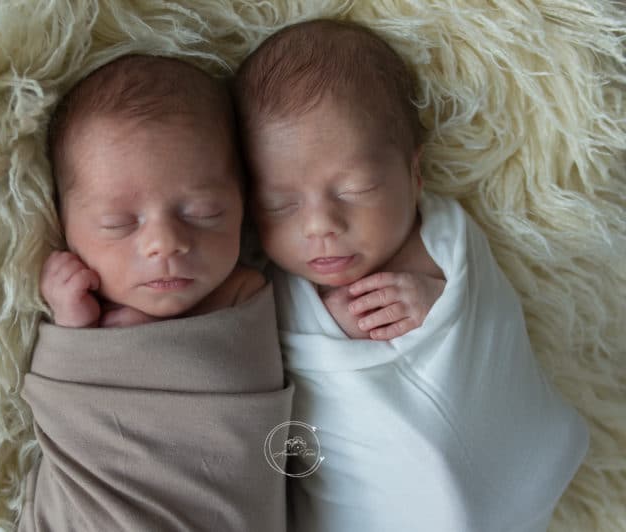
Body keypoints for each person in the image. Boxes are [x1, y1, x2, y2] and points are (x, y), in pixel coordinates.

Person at [233, 19, 589, 532]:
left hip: (509, 476)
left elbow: (485, 316)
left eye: (353, 189)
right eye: (281, 204)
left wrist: (436, 305)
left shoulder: (446, 238)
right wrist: (327, 333)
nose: (320, 226)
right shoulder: (270, 294)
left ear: (414, 174)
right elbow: (277, 403)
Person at [18, 54, 292, 532]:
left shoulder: (247, 294)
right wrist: (70, 326)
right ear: (64, 225)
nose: (164, 244)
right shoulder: (79, 305)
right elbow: (67, 407)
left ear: (242, 203)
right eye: (118, 224)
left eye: (203, 213)